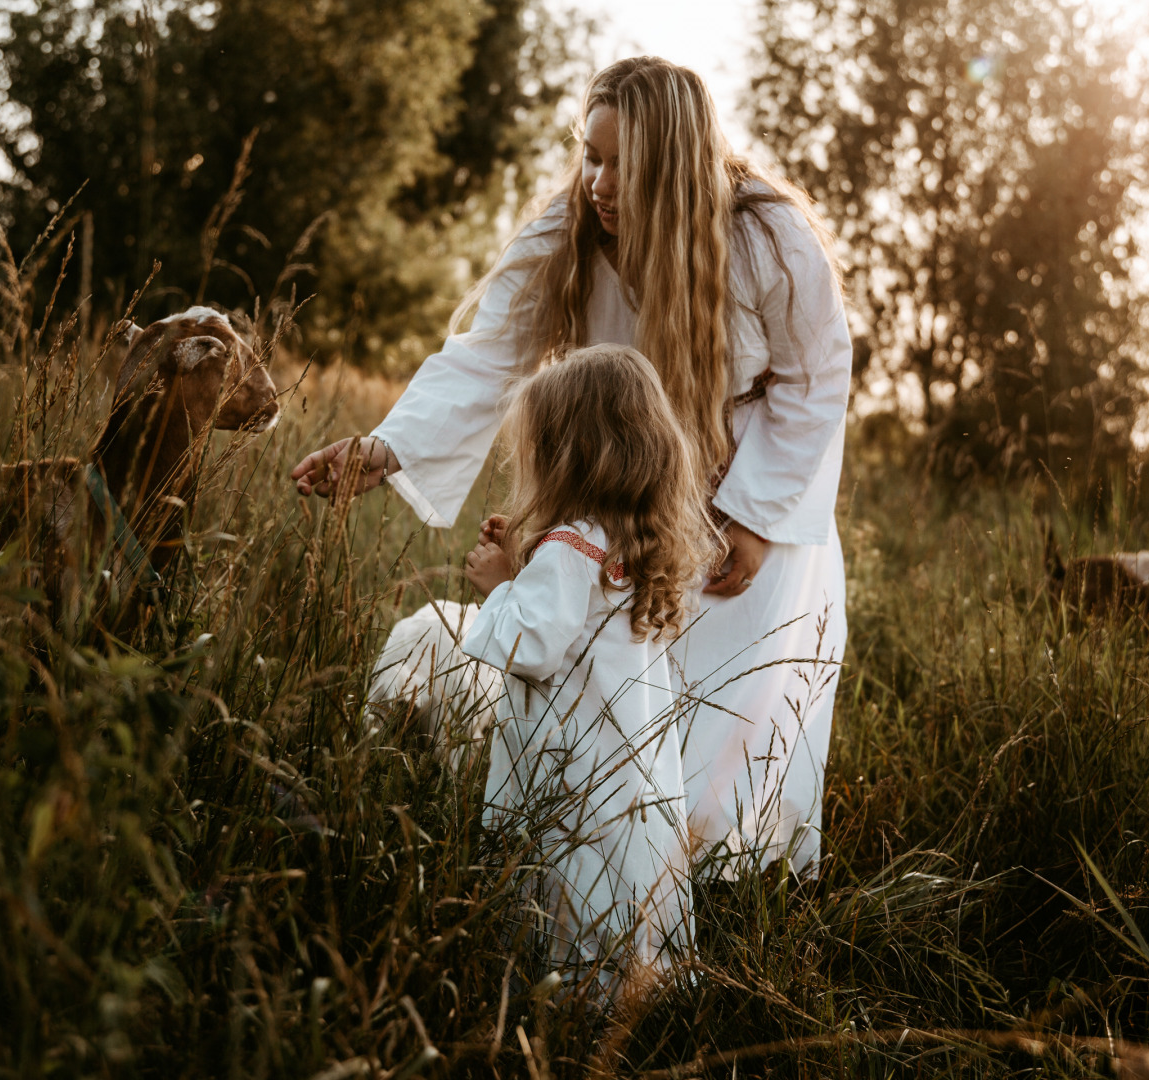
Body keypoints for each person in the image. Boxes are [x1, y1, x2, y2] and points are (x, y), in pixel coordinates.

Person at [293, 56, 852, 878]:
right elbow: (488, 352)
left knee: (733, 720)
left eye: (625, 162)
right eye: (592, 154)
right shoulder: (569, 232)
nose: (599, 179)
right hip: (627, 500)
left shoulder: (766, 236)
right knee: (615, 692)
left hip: (755, 509)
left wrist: (757, 520)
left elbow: (815, 379)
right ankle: (600, 870)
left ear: (676, 164)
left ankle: (716, 888)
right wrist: (387, 445)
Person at [459, 343, 716, 984]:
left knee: (568, 875)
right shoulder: (628, 546)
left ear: (569, 456)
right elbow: (579, 633)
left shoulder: (569, 546)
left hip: (570, 770)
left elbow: (535, 645)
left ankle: (571, 994)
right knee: (622, 872)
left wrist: (500, 587)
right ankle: (639, 975)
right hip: (625, 766)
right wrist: (526, 570)